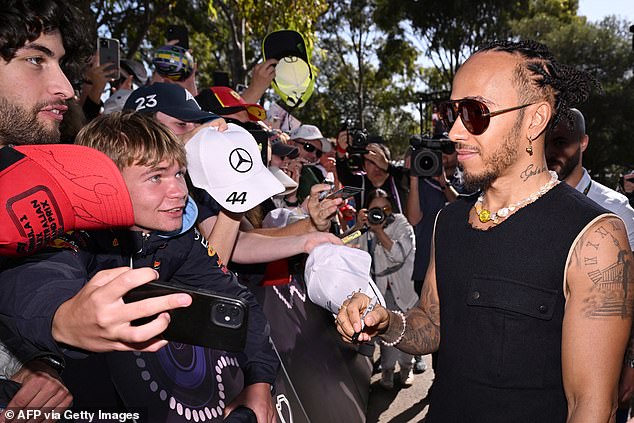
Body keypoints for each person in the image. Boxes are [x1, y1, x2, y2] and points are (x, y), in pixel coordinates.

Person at [336, 39, 633, 422]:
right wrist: (385, 321)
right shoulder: (449, 221)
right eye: (451, 113)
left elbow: (592, 407)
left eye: (475, 113)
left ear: (536, 119)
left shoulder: (596, 238)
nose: (455, 132)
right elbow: (432, 322)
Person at [68, 112, 279, 421]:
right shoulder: (70, 243)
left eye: (180, 174)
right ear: (105, 184)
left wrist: (260, 381)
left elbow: (239, 305)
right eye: (156, 177)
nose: (180, 191)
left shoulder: (176, 240)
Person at [0, 0, 95, 416]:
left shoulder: (30, 179)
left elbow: (39, 271)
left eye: (59, 63)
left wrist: (45, 357)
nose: (67, 89)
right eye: (35, 59)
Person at [545, 108, 634, 421]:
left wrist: (631, 364)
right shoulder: (531, 203)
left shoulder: (615, 210)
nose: (552, 150)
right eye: (546, 141)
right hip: (541, 360)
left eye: (561, 141)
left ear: (583, 143)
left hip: (602, 361)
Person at [350, 189, 417, 389]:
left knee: (408, 333)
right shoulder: (366, 226)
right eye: (373, 209)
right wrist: (359, 226)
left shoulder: (402, 224)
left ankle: (407, 366)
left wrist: (379, 231)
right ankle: (387, 369)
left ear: (391, 209)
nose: (378, 213)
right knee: (388, 333)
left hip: (404, 290)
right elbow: (351, 249)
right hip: (381, 290)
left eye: (382, 208)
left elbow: (398, 254)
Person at [335, 134, 408, 214]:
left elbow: (412, 178)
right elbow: (343, 174)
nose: (376, 168)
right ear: (363, 166)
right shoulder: (360, 183)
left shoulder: (398, 181)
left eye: (379, 162)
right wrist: (341, 150)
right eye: (371, 163)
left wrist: (388, 166)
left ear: (387, 161)